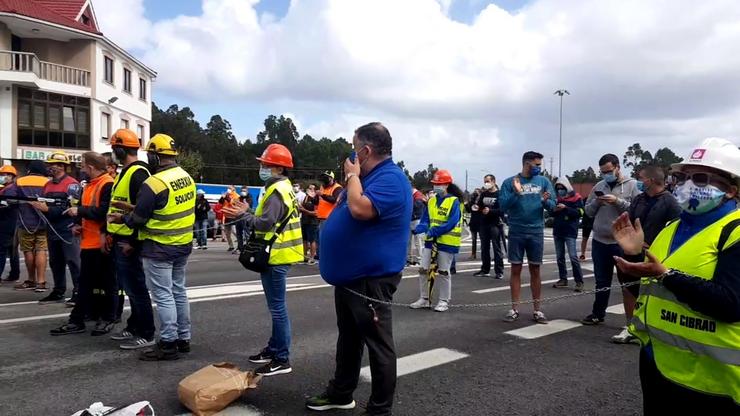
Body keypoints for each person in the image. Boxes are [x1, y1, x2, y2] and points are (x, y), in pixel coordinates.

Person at [612, 137, 740, 414]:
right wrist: (633, 258)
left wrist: (666, 275)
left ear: (731, 190)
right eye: (682, 177)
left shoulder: (735, 233)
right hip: (658, 366)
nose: (687, 184)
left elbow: (731, 305)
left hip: (713, 383)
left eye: (701, 178)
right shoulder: (670, 229)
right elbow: (645, 293)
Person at [306, 122, 411, 415]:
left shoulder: (390, 178)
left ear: (365, 150)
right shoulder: (371, 176)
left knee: (379, 346)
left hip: (371, 279)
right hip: (352, 277)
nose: (350, 157)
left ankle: (379, 409)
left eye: (354, 149)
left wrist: (352, 176)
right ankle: (341, 392)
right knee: (349, 338)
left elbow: (360, 209)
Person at [109, 133, 195, 361]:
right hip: (182, 244)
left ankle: (167, 343)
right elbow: (165, 208)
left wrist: (122, 218)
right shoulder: (186, 177)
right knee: (178, 292)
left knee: (164, 296)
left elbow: (139, 218)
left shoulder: (154, 183)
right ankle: (183, 339)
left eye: (150, 155)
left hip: (160, 247)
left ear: (155, 156)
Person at [223, 143, 303, 377]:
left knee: (278, 309)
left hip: (276, 255)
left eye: (264, 164)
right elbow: (271, 218)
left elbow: (265, 223)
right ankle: (274, 349)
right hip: (279, 254)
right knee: (276, 307)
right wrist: (250, 209)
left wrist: (244, 215)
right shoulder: (284, 187)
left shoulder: (276, 191)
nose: (261, 167)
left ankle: (281, 358)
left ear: (277, 167)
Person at [608, 165, 682, 344]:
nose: (639, 181)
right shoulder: (639, 199)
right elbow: (629, 220)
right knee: (628, 288)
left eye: (642, 178)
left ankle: (653, 327)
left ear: (652, 180)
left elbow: (676, 228)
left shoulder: (670, 202)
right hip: (632, 250)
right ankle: (631, 326)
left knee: (651, 292)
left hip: (655, 255)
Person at [50, 152, 116, 336]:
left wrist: (78, 211)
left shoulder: (107, 184)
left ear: (91, 167)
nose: (81, 169)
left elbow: (104, 211)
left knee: (106, 283)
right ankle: (83, 317)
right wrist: (78, 223)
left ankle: (104, 317)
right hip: (89, 242)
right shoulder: (90, 185)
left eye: (83, 166)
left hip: (101, 243)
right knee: (87, 283)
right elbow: (87, 208)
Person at [105, 129, 157, 350]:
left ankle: (146, 332)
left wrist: (133, 243)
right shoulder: (126, 172)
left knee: (136, 288)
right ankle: (135, 325)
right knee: (130, 287)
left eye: (114, 149)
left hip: (129, 241)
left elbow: (142, 212)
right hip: (121, 237)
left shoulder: (138, 173)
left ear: (119, 149)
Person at [581, 154, 640, 330]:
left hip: (622, 242)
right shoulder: (599, 186)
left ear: (617, 167)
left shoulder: (633, 185)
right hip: (600, 240)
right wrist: (598, 203)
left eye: (608, 171)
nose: (606, 174)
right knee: (601, 281)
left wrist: (617, 201)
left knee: (627, 283)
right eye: (603, 172)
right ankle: (598, 313)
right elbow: (588, 212)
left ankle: (632, 321)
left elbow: (637, 209)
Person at [499, 151, 556, 324]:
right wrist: (516, 193)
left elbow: (553, 206)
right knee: (516, 269)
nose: (539, 168)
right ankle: (514, 308)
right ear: (526, 164)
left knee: (535, 270)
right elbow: (502, 205)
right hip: (517, 230)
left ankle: (537, 310)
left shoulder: (544, 182)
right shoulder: (510, 182)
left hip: (536, 231)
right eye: (536, 165)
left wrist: (546, 201)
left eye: (540, 165)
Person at [31, 151, 82, 305]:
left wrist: (48, 210)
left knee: (73, 261)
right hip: (52, 229)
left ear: (62, 166)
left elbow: (73, 208)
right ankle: (58, 291)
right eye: (49, 165)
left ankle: (79, 292)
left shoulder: (72, 184)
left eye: (52, 165)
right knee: (55, 261)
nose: (49, 167)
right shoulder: (47, 185)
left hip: (68, 229)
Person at [409, 169, 463, 312]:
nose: (436, 187)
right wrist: (419, 228)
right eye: (434, 184)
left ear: (446, 185)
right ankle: (424, 298)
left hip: (447, 242)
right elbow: (426, 219)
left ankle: (444, 300)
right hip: (430, 242)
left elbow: (452, 222)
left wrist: (435, 230)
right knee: (423, 269)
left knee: (444, 272)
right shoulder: (432, 201)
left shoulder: (454, 201)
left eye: (439, 184)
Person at [8, 160, 49, 292]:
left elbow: (8, 195)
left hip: (24, 223)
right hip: (43, 222)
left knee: (28, 251)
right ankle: (41, 282)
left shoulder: (20, 181)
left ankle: (31, 280)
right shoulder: (48, 182)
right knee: (41, 250)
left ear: (29, 169)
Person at [550, 176, 585, 291]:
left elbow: (580, 212)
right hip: (558, 230)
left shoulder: (576, 198)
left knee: (573, 257)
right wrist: (554, 210)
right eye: (558, 188)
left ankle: (579, 281)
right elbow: (551, 213)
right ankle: (563, 279)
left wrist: (566, 208)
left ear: (567, 187)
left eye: (562, 188)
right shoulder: (556, 199)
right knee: (560, 257)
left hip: (570, 231)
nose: (560, 190)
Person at [473, 175, 504, 279]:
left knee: (496, 248)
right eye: (485, 181)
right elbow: (480, 205)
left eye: (488, 181)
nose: (486, 183)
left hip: (495, 224)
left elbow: (502, 210)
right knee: (484, 248)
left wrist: (490, 211)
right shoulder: (484, 194)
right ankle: (485, 269)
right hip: (484, 224)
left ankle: (499, 271)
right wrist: (477, 207)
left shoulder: (499, 194)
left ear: (494, 181)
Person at [316, 170, 343, 257]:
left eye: (326, 177)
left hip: (330, 218)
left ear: (331, 178)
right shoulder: (322, 187)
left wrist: (322, 195)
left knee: (326, 240)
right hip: (321, 218)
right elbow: (318, 202)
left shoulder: (337, 188)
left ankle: (329, 256)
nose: (324, 179)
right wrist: (312, 198)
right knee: (321, 240)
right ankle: (323, 256)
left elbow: (334, 200)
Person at [0, 165, 19, 284]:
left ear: (12, 177)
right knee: (12, 250)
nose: (4, 177)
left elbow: (6, 205)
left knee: (1, 250)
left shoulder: (10, 189)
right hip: (10, 222)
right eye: (2, 175)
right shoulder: (6, 188)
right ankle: (14, 274)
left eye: (7, 175)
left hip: (7, 223)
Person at [300, 183, 320, 264]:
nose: (310, 190)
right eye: (309, 188)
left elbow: (316, 213)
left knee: (312, 240)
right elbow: (302, 207)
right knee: (304, 239)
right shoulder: (306, 197)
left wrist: (305, 211)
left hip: (312, 222)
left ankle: (312, 257)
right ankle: (304, 256)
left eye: (312, 189)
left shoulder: (316, 199)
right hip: (304, 220)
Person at [407, 188, 426, 265]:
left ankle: (419, 259)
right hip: (410, 219)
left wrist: (407, 204)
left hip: (416, 219)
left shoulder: (417, 194)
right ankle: (409, 259)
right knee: (409, 241)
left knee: (417, 241)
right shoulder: (410, 194)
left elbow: (418, 205)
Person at [465, 188, 482, 260]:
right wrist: (467, 204)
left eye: (477, 192)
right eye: (475, 192)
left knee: (483, 239)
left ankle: (483, 253)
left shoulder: (482, 201)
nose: (476, 193)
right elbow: (469, 210)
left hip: (481, 222)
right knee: (473, 239)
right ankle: (473, 254)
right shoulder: (472, 201)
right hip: (473, 222)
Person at [222, 186, 239, 252]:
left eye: (230, 188)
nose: (228, 189)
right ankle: (231, 246)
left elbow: (233, 203)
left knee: (234, 231)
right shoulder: (226, 195)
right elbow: (221, 203)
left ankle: (240, 244)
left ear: (233, 189)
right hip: (227, 215)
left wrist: (227, 198)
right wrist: (222, 198)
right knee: (227, 233)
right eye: (228, 188)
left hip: (233, 215)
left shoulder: (236, 196)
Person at [579, 196, 593, 260]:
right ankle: (582, 254)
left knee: (596, 239)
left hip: (594, 220)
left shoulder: (598, 198)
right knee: (585, 238)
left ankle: (595, 254)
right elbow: (582, 209)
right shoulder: (586, 199)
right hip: (587, 221)